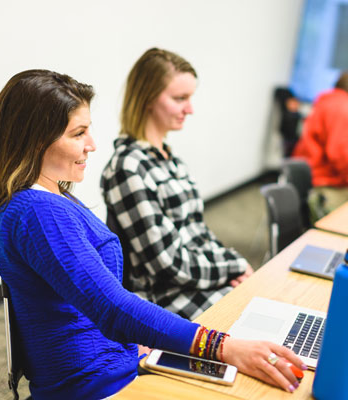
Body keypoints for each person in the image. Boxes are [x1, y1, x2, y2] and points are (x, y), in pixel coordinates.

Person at [0, 69, 304, 399]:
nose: (92, 144)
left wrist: (142, 342)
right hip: (98, 384)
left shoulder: (46, 196)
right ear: (35, 141)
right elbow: (111, 307)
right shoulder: (38, 211)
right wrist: (223, 347)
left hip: (118, 360)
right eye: (78, 134)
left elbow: (94, 302)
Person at [101, 48, 253, 320]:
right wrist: (233, 265)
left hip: (197, 282)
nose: (190, 109)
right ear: (147, 98)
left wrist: (231, 267)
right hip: (167, 298)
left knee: (263, 304)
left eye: (190, 97)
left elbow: (198, 233)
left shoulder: (171, 159)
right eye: (180, 98)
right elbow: (168, 265)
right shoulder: (127, 167)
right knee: (253, 321)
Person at [292, 71, 348, 221]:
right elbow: (340, 154)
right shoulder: (342, 108)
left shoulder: (328, 101)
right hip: (326, 183)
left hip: (313, 174)